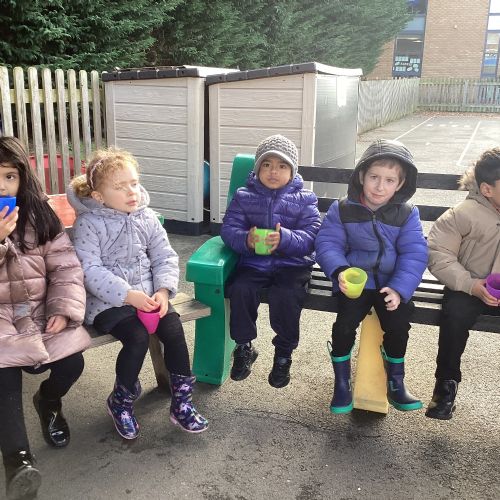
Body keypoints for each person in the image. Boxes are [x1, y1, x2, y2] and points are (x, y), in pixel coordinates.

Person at [67, 147, 208, 439]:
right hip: (107, 302)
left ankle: (182, 401)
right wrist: (127, 295)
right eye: (120, 187)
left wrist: (163, 291)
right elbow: (89, 269)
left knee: (173, 329)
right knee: (137, 336)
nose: (131, 191)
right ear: (99, 196)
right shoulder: (89, 223)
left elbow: (164, 256)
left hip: (150, 296)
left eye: (133, 183)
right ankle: (121, 400)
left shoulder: (146, 217)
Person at [0, 137, 90, 500]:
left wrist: (62, 309)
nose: (1, 187)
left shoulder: (39, 215)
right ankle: (18, 463)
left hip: (38, 312)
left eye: (9, 177)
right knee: (4, 375)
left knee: (73, 362)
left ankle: (48, 401)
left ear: (22, 179)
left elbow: (66, 268)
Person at [315, 139, 428, 414]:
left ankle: (396, 381)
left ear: (400, 184)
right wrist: (340, 271)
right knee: (344, 325)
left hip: (391, 283)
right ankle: (342, 383)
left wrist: (399, 289)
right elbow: (327, 244)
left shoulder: (407, 214)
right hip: (355, 282)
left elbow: (414, 254)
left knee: (399, 323)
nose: (380, 187)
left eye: (389, 180)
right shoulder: (343, 209)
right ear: (361, 176)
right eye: (374, 177)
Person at [220, 135, 321, 388]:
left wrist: (285, 239)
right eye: (266, 164)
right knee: (240, 288)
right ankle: (243, 346)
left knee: (286, 295)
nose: (273, 171)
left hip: (292, 265)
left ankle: (283, 354)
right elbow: (229, 229)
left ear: (292, 171)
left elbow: (312, 236)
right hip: (254, 263)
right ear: (257, 169)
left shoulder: (305, 199)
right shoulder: (244, 196)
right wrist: (246, 239)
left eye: (281, 165)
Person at [425, 148, 500, 420]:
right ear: (487, 189)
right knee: (454, 316)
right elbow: (439, 254)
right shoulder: (463, 214)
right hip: (469, 286)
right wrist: (471, 284)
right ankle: (445, 386)